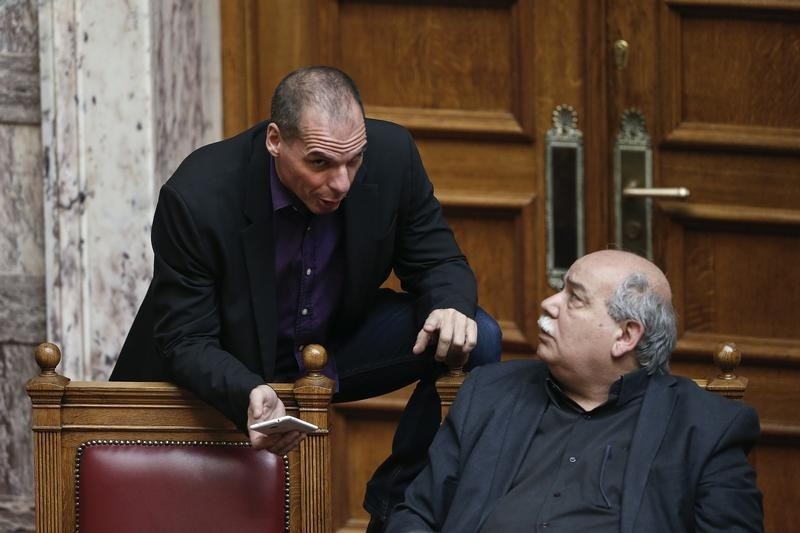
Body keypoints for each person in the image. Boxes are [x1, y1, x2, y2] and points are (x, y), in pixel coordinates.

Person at [109, 66, 502, 529]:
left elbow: (438, 261)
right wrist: (246, 391)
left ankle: (398, 510)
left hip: (332, 342)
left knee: (480, 336)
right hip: (231, 359)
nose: (341, 183)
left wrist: (448, 307)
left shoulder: (393, 156)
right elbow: (186, 337)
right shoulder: (198, 195)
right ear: (275, 140)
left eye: (353, 160)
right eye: (320, 163)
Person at [386, 250, 763, 533]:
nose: (548, 304)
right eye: (559, 291)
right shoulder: (488, 393)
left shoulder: (706, 428)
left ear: (626, 335)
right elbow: (416, 515)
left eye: (574, 298)